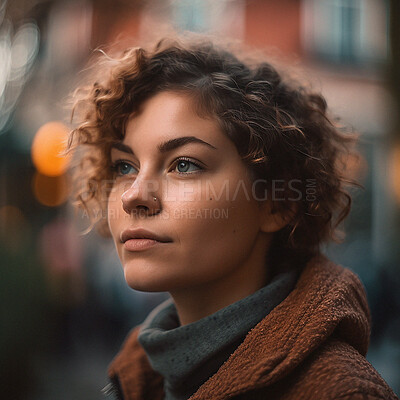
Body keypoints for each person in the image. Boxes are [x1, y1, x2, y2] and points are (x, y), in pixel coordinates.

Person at [68, 36, 398, 400]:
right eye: (124, 166)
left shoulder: (342, 392)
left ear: (277, 202)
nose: (134, 196)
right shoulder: (138, 378)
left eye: (184, 164)